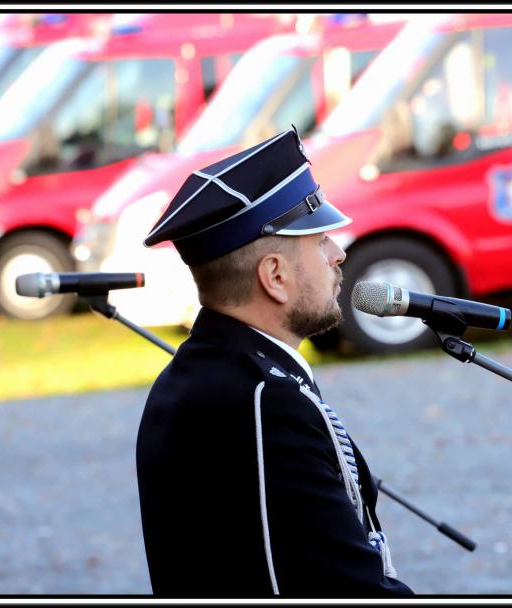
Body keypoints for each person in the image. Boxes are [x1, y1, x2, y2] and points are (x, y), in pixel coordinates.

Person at [136, 127, 414, 598]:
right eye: (320, 240)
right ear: (275, 276)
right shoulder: (262, 400)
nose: (338, 254)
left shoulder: (213, 375)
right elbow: (339, 586)